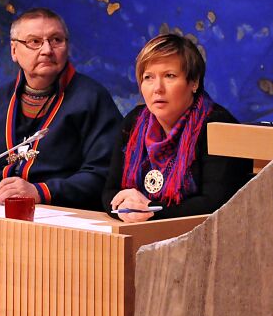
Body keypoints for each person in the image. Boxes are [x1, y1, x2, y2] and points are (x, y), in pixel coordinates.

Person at [0, 7, 121, 210]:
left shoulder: (92, 98)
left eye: (56, 40)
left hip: (62, 217)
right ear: (14, 50)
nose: (47, 50)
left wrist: (40, 192)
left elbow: (104, 175)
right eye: (34, 42)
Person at [103, 33, 251, 222]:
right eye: (148, 77)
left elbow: (216, 205)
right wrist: (123, 205)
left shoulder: (218, 126)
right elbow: (110, 190)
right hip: (140, 230)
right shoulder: (134, 122)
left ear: (194, 82)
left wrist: (148, 211)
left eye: (169, 76)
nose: (158, 88)